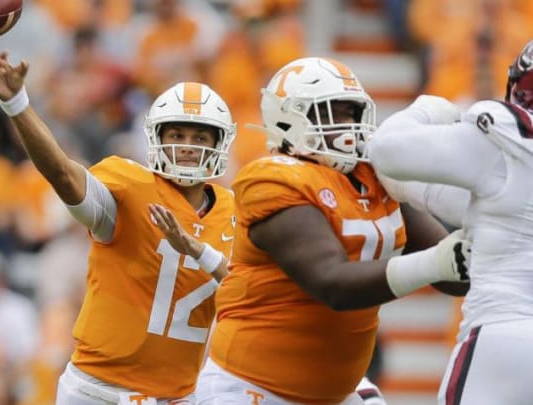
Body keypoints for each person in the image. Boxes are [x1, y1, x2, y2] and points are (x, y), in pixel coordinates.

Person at [195, 57, 470, 405]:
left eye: (352, 114)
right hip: (253, 388)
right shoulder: (271, 179)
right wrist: (435, 263)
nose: (348, 127)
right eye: (333, 114)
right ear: (289, 119)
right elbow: (332, 284)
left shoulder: (374, 177)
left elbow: (455, 275)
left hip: (335, 390)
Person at [0, 52, 236, 404]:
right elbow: (62, 173)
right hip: (99, 391)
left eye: (200, 138)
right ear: (157, 138)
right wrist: (17, 104)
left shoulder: (235, 213)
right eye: (177, 133)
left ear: (218, 143)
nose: (187, 147)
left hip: (177, 396)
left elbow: (250, 293)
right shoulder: (130, 187)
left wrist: (199, 252)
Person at [368, 39, 533, 405]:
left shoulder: (508, 138)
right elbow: (488, 207)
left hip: (503, 332)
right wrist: (403, 187)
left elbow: (385, 149)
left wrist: (428, 109)